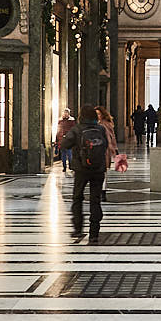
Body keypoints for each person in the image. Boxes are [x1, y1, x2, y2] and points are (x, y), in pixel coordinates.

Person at [63, 104, 112, 243]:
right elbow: (105, 145)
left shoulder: (77, 129)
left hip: (81, 169)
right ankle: (94, 233)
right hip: (98, 169)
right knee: (95, 200)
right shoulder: (100, 129)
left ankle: (78, 229)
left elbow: (65, 145)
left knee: (77, 198)